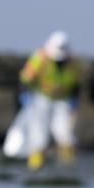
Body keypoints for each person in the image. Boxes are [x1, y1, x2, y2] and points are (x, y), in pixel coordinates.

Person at [18, 31, 80, 170]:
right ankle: (35, 168)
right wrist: (24, 96)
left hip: (63, 101)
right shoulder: (40, 57)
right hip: (41, 99)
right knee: (38, 136)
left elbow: (76, 84)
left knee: (66, 135)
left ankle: (68, 169)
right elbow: (25, 79)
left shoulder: (73, 62)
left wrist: (75, 101)